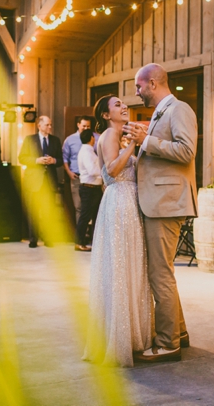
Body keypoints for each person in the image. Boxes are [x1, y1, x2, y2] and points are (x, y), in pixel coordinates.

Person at [123, 63, 197, 363]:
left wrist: (147, 141)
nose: (137, 93)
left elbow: (186, 150)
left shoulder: (179, 109)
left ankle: (168, 344)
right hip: (159, 201)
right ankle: (178, 332)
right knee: (163, 272)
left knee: (160, 274)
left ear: (153, 83)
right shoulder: (160, 112)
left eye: (139, 87)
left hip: (166, 203)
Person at [82, 95, 151, 367]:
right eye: (118, 104)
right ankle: (121, 339)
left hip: (123, 201)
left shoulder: (114, 135)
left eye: (124, 103)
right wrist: (133, 143)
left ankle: (127, 335)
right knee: (123, 269)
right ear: (106, 114)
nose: (124, 106)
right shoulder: (111, 133)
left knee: (127, 268)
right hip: (121, 203)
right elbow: (110, 170)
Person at [18, 116, 63, 248]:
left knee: (48, 211)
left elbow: (60, 160)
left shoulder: (55, 140)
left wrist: (53, 161)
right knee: (34, 211)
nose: (50, 127)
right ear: (39, 126)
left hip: (49, 181)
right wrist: (36, 161)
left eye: (50, 125)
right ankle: (33, 239)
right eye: (47, 125)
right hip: (34, 181)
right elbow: (21, 158)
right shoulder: (29, 139)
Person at [75, 129, 102, 252]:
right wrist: (104, 172)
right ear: (91, 138)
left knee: (95, 216)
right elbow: (92, 171)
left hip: (92, 188)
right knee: (85, 216)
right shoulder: (86, 152)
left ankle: (95, 242)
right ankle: (79, 242)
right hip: (89, 188)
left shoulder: (88, 151)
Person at [63, 116, 95, 222]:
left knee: (93, 208)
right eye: (84, 126)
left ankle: (92, 235)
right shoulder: (70, 140)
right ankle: (82, 235)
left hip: (93, 179)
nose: (86, 128)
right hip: (76, 177)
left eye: (88, 126)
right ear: (78, 125)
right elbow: (64, 158)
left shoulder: (95, 138)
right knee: (79, 207)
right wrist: (69, 172)